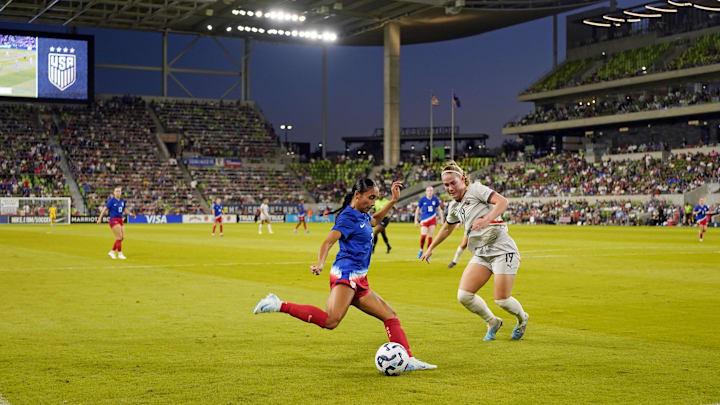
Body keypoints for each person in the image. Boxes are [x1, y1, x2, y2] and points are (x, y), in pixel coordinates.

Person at [253, 179, 436, 371]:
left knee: (390, 316)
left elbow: (375, 220)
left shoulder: (363, 214)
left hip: (359, 278)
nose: (373, 202)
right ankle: (278, 304)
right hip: (346, 275)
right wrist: (320, 263)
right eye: (370, 197)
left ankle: (407, 360)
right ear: (357, 195)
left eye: (375, 198)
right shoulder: (347, 218)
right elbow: (327, 242)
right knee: (331, 320)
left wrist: (392, 201)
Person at [420, 161, 529, 341]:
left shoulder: (476, 190)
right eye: (446, 185)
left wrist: (487, 219)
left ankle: (522, 319)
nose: (449, 187)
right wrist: (431, 248)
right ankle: (492, 322)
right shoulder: (454, 206)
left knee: (502, 300)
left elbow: (502, 201)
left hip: (502, 249)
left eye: (453, 182)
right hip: (482, 252)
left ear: (462, 179)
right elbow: (447, 228)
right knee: (464, 296)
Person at [97, 186, 136, 260]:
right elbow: (104, 209)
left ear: (121, 193)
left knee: (122, 237)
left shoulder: (122, 201)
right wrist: (99, 218)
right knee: (119, 237)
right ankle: (119, 253)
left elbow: (125, 210)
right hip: (113, 219)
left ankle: (112, 252)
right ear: (114, 193)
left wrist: (131, 214)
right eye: (116, 191)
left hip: (120, 219)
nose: (118, 192)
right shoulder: (111, 201)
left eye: (119, 191)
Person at [414, 186, 444, 259]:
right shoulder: (422, 200)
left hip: (432, 220)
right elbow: (417, 210)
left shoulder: (435, 200)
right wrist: (416, 220)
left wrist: (442, 219)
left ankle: (428, 253)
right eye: (428, 190)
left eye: (431, 190)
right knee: (423, 236)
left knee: (430, 237)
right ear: (426, 192)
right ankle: (421, 250)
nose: (430, 192)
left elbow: (439, 210)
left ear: (432, 191)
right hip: (424, 220)